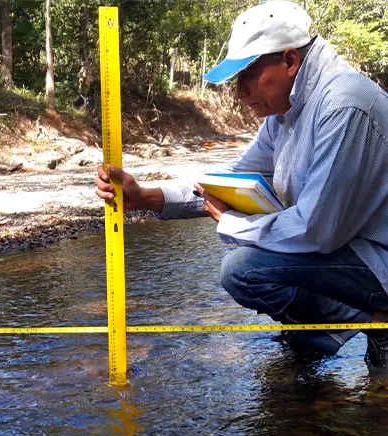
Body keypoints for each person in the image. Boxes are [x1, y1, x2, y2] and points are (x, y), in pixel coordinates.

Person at [94, 0, 388, 367]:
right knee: (252, 263)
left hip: (379, 257)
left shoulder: (344, 104)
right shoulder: (287, 114)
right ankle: (333, 328)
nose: (239, 92)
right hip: (354, 250)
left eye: (247, 75)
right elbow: (226, 183)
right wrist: (144, 197)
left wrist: (233, 223)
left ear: (291, 61)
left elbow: (318, 230)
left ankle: (371, 323)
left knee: (243, 268)